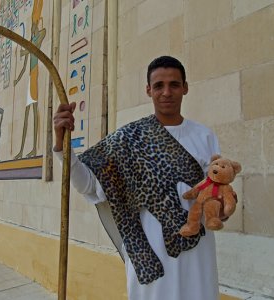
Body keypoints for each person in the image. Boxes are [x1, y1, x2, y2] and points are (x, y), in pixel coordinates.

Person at [53, 56, 221, 300]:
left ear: (185, 87)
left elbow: (215, 192)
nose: (166, 92)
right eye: (158, 86)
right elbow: (88, 184)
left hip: (198, 254)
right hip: (151, 258)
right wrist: (61, 146)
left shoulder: (205, 136)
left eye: (174, 84)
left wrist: (223, 207)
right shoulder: (126, 140)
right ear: (148, 90)